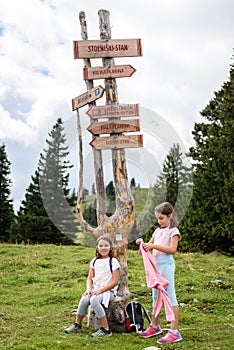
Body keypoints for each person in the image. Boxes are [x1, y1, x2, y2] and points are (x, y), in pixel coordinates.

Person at [136, 202, 182, 344]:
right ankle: (155, 326)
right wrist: (142, 245)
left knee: (169, 296)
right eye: (157, 218)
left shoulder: (173, 231)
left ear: (170, 216)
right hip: (156, 266)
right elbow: (148, 247)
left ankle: (174, 331)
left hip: (166, 265)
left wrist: (153, 245)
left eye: (161, 218)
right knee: (156, 296)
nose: (159, 221)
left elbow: (172, 249)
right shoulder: (157, 231)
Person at [65, 236, 120, 338]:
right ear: (97, 248)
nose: (103, 248)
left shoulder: (113, 261)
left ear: (110, 247)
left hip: (108, 291)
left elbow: (115, 282)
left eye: (106, 245)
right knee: (84, 299)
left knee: (94, 300)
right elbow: (90, 278)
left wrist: (100, 291)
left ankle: (106, 329)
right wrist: (89, 289)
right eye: (101, 246)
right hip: (95, 289)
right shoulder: (94, 261)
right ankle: (77, 325)